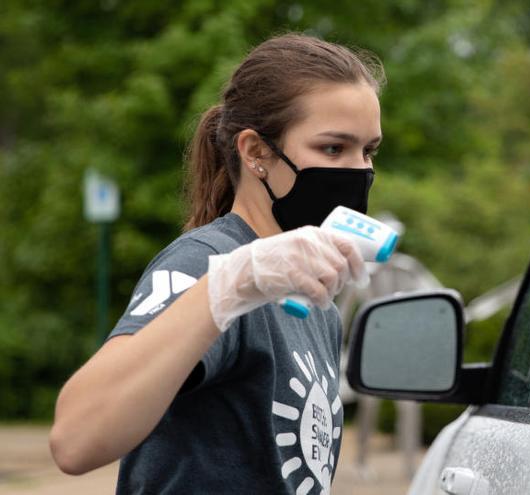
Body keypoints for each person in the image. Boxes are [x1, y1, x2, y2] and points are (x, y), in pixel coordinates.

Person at [49, 33, 385, 494]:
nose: (358, 170)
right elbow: (76, 439)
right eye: (333, 149)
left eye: (368, 151)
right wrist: (229, 285)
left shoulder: (316, 296)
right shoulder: (207, 263)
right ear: (255, 152)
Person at [334, 212, 443, 480]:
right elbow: (343, 314)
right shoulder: (360, 272)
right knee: (369, 407)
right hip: (371, 350)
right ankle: (361, 461)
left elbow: (436, 295)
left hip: (403, 351)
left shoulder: (409, 268)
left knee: (409, 407)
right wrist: (338, 348)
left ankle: (410, 467)